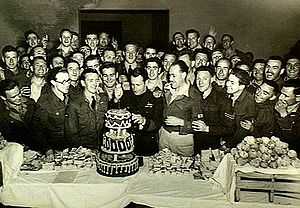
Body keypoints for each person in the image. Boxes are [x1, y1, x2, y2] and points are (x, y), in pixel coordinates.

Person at [159, 60, 200, 156]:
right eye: (169, 75)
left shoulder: (194, 95)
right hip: (164, 136)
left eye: (174, 76)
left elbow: (200, 125)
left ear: (183, 75)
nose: (170, 79)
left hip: (182, 140)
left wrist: (181, 122)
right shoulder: (168, 89)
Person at [122, 68, 163, 155]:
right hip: (127, 145)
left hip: (147, 146)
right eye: (132, 84)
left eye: (138, 85)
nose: (134, 88)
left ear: (145, 82)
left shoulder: (155, 99)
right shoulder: (126, 96)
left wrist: (144, 121)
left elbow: (157, 123)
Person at [192, 66, 232, 152]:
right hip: (195, 145)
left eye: (205, 79)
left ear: (212, 79)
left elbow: (230, 128)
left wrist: (207, 128)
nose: (200, 82)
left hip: (214, 147)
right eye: (198, 78)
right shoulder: (194, 95)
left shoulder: (222, 99)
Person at [66, 68, 108, 149]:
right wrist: (81, 150)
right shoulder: (74, 104)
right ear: (83, 83)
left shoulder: (104, 99)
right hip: (83, 149)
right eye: (90, 80)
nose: (95, 84)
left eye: (96, 80)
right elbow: (71, 133)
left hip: (102, 147)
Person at [32, 68, 71, 151]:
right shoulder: (44, 102)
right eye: (63, 82)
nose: (67, 84)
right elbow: (38, 131)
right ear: (53, 82)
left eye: (68, 81)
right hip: (54, 148)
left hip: (71, 145)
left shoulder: (71, 96)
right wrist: (47, 149)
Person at [223, 69, 255, 146]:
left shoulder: (249, 102)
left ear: (242, 86)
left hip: (237, 143)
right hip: (225, 137)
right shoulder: (227, 93)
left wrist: (228, 145)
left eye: (232, 82)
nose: (227, 84)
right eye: (228, 80)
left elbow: (242, 131)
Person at [0, 79, 36, 148]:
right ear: (3, 98)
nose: (19, 97)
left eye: (19, 93)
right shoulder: (2, 115)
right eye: (13, 97)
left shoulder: (31, 103)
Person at [274, 79, 300, 153]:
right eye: (281, 93)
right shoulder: (277, 103)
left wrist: (283, 115)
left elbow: (293, 143)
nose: (280, 98)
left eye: (285, 96)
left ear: (298, 98)